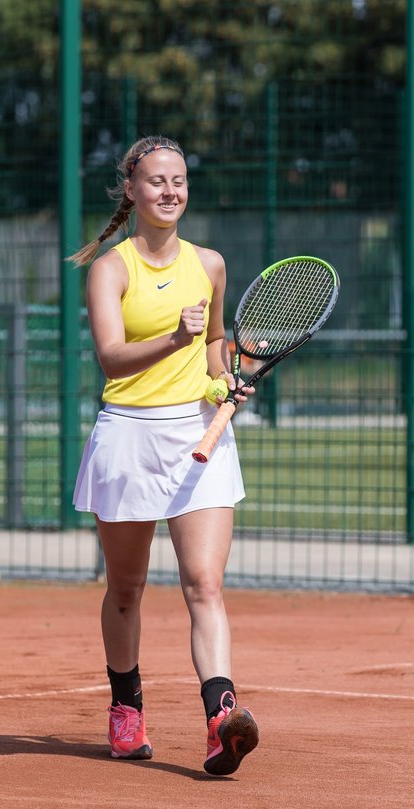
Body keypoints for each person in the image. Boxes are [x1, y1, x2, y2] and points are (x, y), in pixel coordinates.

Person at [67, 135, 260, 776]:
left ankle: (221, 718)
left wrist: (223, 382)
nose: (169, 191)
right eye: (156, 181)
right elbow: (112, 358)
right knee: (125, 589)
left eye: (178, 180)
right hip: (128, 436)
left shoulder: (209, 263)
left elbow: (210, 352)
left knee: (204, 585)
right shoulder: (111, 268)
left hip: (198, 439)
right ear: (131, 189)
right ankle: (127, 713)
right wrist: (171, 337)